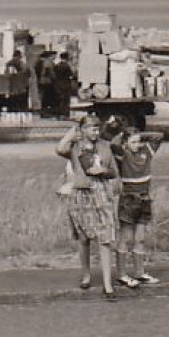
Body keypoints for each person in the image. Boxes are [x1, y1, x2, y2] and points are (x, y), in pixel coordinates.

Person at [57, 113, 121, 299]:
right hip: (80, 194)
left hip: (100, 193)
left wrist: (104, 170)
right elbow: (59, 149)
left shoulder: (105, 146)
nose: (95, 132)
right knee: (83, 238)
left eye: (97, 128)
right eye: (91, 129)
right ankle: (86, 275)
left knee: (105, 238)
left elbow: (114, 172)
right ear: (83, 130)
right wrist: (73, 132)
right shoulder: (75, 147)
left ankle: (108, 285)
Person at [112, 126, 166, 289]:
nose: (137, 144)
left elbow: (159, 135)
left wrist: (139, 135)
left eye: (139, 141)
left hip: (145, 198)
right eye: (133, 142)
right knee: (126, 238)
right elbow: (113, 144)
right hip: (129, 200)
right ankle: (122, 274)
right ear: (126, 143)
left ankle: (139, 272)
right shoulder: (123, 155)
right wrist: (123, 134)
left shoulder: (147, 151)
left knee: (140, 239)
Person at [49, 52, 77, 117]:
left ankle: (60, 112)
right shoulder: (67, 66)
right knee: (66, 99)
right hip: (66, 84)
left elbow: (54, 74)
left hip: (58, 84)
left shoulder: (57, 65)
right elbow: (71, 75)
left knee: (60, 98)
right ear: (67, 58)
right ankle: (65, 113)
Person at [35, 52, 57, 116]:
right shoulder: (48, 62)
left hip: (42, 82)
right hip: (48, 82)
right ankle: (47, 112)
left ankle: (44, 111)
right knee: (47, 97)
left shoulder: (39, 62)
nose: (54, 57)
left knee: (44, 97)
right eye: (54, 56)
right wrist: (55, 78)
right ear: (50, 56)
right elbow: (51, 73)